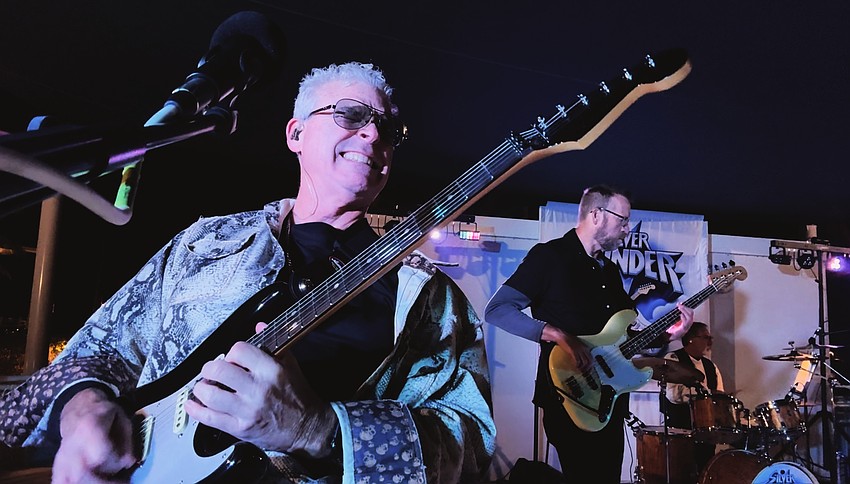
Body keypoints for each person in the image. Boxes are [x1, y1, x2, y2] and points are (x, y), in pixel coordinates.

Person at [0, 61, 496, 483]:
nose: (372, 134)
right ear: (296, 134)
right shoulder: (206, 241)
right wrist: (82, 406)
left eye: (388, 129)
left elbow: (471, 443)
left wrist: (317, 430)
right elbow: (102, 348)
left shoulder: (426, 295)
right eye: (351, 115)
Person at [484, 184, 693, 483]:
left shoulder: (609, 271)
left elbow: (625, 339)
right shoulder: (550, 257)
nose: (627, 229)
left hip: (610, 400)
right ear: (596, 215)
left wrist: (670, 336)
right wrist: (557, 334)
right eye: (623, 220)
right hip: (569, 393)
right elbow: (498, 309)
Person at [663, 322, 724, 475]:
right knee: (682, 472)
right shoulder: (673, 358)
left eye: (710, 338)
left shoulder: (711, 366)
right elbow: (673, 394)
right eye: (705, 337)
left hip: (706, 430)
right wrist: (704, 394)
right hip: (680, 428)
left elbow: (719, 395)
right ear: (691, 339)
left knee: (705, 469)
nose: (709, 342)